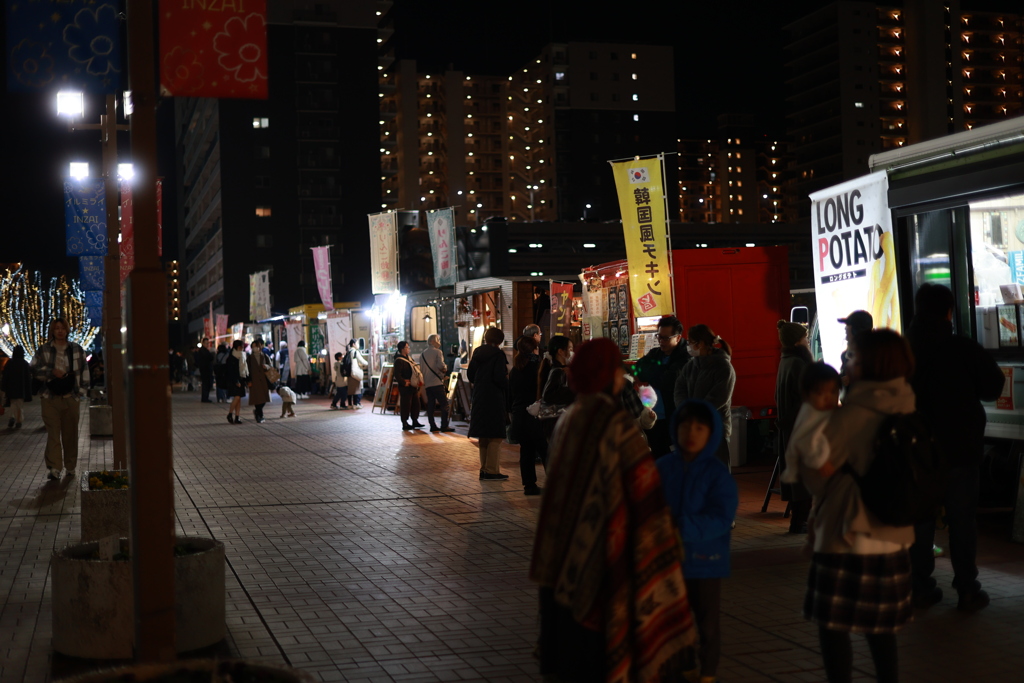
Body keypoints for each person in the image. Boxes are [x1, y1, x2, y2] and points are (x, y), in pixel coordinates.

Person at [530, 338, 696, 681]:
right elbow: (645, 498)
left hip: (566, 560)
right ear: (609, 376)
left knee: (574, 661)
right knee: (601, 658)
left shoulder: (570, 420)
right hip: (608, 565)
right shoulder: (615, 426)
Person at [805, 329, 916, 683]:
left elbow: (815, 477)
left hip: (844, 535)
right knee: (881, 631)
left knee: (833, 626)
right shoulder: (909, 408)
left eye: (852, 355)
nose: (846, 362)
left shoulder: (848, 416)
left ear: (869, 363)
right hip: (892, 536)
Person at [907, 283, 1005, 612]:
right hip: (960, 448)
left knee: (920, 520)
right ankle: (966, 589)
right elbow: (993, 386)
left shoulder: (902, 352)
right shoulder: (963, 348)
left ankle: (919, 587)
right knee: (962, 520)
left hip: (916, 452)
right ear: (949, 312)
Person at [657, 400, 739, 683]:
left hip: (706, 562)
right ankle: (683, 666)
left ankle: (707, 672)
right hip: (669, 562)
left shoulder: (717, 474)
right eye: (685, 426)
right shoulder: (662, 467)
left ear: (711, 433)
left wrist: (680, 528)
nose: (691, 432)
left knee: (707, 623)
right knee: (673, 620)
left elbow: (721, 517)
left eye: (700, 428)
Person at [31, 318, 90, 480]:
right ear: (52, 330)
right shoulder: (44, 349)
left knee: (70, 434)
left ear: (67, 330)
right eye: (56, 328)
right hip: (49, 397)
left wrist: (80, 392)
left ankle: (70, 466)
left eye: (62, 328)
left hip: (71, 396)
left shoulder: (76, 349)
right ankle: (54, 467)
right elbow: (34, 369)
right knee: (53, 432)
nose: (60, 331)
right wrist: (51, 371)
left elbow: (84, 370)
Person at [673, 324, 736, 470]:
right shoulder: (691, 366)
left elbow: (719, 397)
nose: (688, 346)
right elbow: (679, 388)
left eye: (690, 342)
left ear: (700, 343)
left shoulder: (723, 367)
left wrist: (693, 413)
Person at [776, 319, 816, 533]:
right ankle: (801, 522)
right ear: (797, 342)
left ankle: (798, 521)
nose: (808, 341)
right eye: (805, 338)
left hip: (790, 429)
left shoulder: (785, 361)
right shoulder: (799, 364)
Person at [632, 314, 690, 457]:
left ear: (678, 337)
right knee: (657, 458)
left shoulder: (686, 356)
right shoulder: (656, 353)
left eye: (665, 338)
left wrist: (651, 372)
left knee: (675, 459)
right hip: (653, 418)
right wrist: (659, 372)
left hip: (674, 417)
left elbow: (668, 382)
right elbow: (637, 369)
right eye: (659, 337)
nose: (661, 341)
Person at [781, 362, 842, 485]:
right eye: (820, 393)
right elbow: (804, 441)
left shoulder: (824, 411)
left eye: (833, 391)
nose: (828, 398)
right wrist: (820, 462)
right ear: (806, 395)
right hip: (816, 467)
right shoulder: (810, 414)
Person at [468, 327, 509, 480]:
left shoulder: (477, 352)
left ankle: (484, 469)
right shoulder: (498, 354)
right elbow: (499, 377)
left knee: (484, 435)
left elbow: (470, 374)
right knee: (495, 435)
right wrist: (507, 383)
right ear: (500, 340)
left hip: (479, 396)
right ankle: (492, 470)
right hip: (494, 397)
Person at [509, 336, 546, 495]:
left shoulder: (515, 369)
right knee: (545, 450)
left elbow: (511, 394)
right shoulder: (537, 367)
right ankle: (556, 485)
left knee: (526, 451)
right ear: (534, 349)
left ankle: (529, 485)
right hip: (534, 414)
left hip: (519, 414)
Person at [537, 334, 574, 440]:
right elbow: (549, 394)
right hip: (556, 423)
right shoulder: (558, 371)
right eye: (570, 349)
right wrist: (574, 390)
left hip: (555, 423)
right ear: (561, 351)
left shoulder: (559, 369)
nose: (572, 353)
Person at [421, 334, 454, 432]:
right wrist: (445, 368)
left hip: (428, 383)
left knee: (431, 405)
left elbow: (422, 369)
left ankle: (432, 426)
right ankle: (444, 425)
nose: (439, 342)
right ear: (433, 341)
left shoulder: (423, 354)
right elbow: (441, 366)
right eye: (438, 340)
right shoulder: (438, 352)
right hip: (437, 382)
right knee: (444, 404)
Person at [838, 310, 872, 396]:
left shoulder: (873, 356)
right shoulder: (846, 355)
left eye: (848, 325)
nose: (845, 328)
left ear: (856, 331)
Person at [394, 341, 425, 431]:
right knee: (406, 405)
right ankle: (405, 422)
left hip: (413, 385)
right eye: (407, 347)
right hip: (406, 386)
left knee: (416, 404)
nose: (408, 349)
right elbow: (397, 375)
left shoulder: (409, 358)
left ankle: (415, 420)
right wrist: (404, 383)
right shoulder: (399, 360)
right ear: (402, 349)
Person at [2, 345, 32, 430]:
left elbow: (5, 376)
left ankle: (12, 417)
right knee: (19, 404)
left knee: (13, 403)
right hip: (21, 388)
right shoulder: (24, 363)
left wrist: (4, 387)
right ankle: (18, 420)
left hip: (11, 387)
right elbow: (28, 378)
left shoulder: (10, 363)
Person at [247, 338, 271, 424]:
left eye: (256, 346)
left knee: (264, 398)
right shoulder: (250, 358)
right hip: (254, 381)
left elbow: (270, 365)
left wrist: (266, 366)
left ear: (259, 346)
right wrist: (249, 380)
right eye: (253, 347)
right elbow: (247, 370)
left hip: (263, 380)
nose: (254, 348)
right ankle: (259, 415)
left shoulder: (264, 356)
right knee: (256, 399)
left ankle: (257, 412)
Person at [224, 339, 247, 424]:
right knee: (237, 397)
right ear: (238, 347)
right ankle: (230, 413)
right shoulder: (231, 357)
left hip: (241, 379)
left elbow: (245, 369)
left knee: (239, 398)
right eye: (241, 346)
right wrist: (236, 381)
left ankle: (237, 416)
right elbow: (230, 371)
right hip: (234, 380)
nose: (243, 348)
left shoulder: (242, 355)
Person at [345, 340, 368, 409]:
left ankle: (350, 404)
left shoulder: (348, 352)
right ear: (353, 344)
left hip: (349, 373)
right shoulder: (355, 352)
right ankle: (356, 404)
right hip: (355, 373)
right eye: (357, 343)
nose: (358, 345)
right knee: (358, 389)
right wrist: (367, 363)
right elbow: (362, 361)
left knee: (350, 390)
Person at [196, 337, 215, 403]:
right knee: (206, 384)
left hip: (205, 369)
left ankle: (205, 397)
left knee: (206, 384)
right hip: (205, 370)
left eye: (208, 343)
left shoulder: (204, 350)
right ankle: (205, 398)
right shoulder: (203, 351)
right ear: (203, 343)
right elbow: (210, 358)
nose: (207, 344)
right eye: (206, 343)